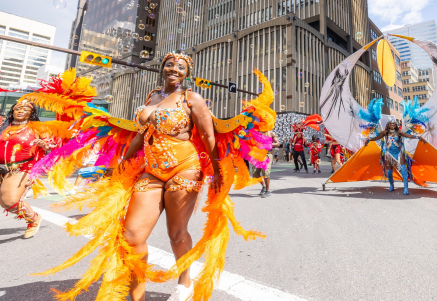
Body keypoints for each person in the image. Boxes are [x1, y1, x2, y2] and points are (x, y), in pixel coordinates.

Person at [40, 53, 274, 301]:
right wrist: (121, 164)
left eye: (181, 67)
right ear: (162, 69)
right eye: (170, 65)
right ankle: (137, 296)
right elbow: (141, 136)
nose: (174, 69)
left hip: (185, 167)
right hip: (151, 169)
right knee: (131, 236)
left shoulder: (191, 98)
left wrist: (217, 172)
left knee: (176, 231)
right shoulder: (152, 96)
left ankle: (184, 283)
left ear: (186, 74)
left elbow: (208, 137)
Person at [0, 101, 55, 238]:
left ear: (31, 113)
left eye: (25, 109)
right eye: (17, 108)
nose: (20, 111)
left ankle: (33, 219)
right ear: (12, 111)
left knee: (9, 202)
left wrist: (44, 145)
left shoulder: (38, 128)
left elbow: (51, 145)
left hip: (21, 168)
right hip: (1, 168)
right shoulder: (4, 126)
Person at [365, 120, 423, 195]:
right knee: (389, 171)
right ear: (388, 125)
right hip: (388, 153)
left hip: (399, 152)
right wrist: (369, 139)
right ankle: (391, 185)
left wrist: (417, 137)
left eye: (393, 123)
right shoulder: (385, 132)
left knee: (403, 168)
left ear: (395, 125)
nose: (392, 124)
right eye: (391, 123)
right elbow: (377, 137)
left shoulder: (398, 132)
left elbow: (408, 135)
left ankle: (406, 188)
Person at [253, 129, 279, 198]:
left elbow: (278, 144)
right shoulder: (257, 134)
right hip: (258, 155)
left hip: (267, 154)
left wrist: (268, 144)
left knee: (266, 172)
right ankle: (264, 186)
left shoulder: (271, 133)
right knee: (255, 174)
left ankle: (267, 191)